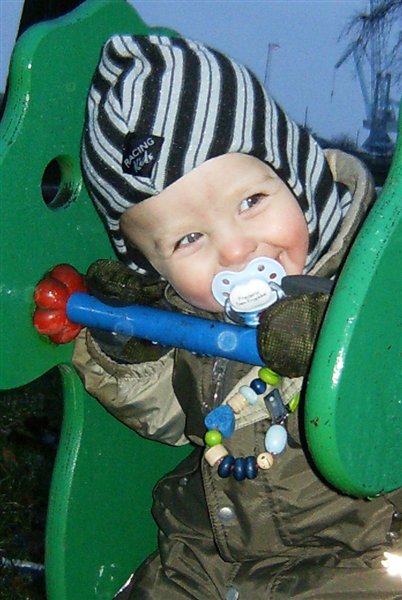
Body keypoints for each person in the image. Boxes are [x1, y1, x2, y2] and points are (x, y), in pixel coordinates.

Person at [73, 34, 402, 599]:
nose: (233, 250)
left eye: (251, 202)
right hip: (206, 554)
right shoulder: (192, 315)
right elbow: (172, 420)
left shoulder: (377, 283)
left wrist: (338, 337)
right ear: (153, 266)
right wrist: (129, 346)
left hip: (361, 555)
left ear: (297, 179)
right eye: (188, 239)